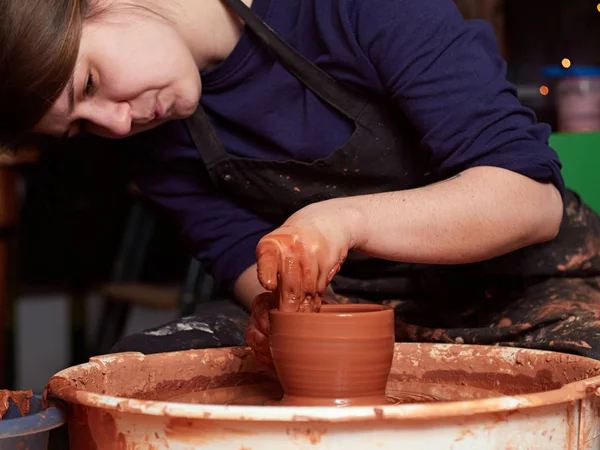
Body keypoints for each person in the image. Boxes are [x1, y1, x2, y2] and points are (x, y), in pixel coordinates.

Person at [2, 0, 599, 366]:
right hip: (357, 307)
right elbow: (237, 252)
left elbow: (529, 199)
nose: (115, 121)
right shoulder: (148, 135)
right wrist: (282, 310)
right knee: (134, 375)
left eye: (88, 84)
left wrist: (342, 221)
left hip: (522, 288)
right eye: (81, 127)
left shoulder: (351, 6)